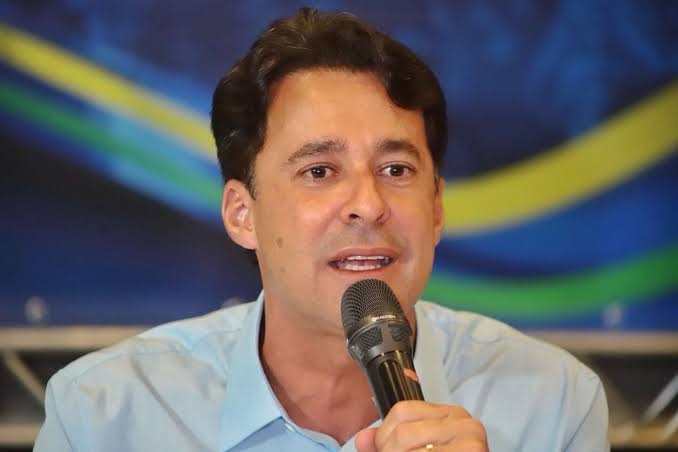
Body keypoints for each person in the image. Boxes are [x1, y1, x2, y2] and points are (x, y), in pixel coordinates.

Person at [34, 7, 609, 452]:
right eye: (319, 171)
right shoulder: (107, 414)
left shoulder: (550, 403)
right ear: (242, 214)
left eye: (396, 170)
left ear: (436, 208)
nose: (368, 205)